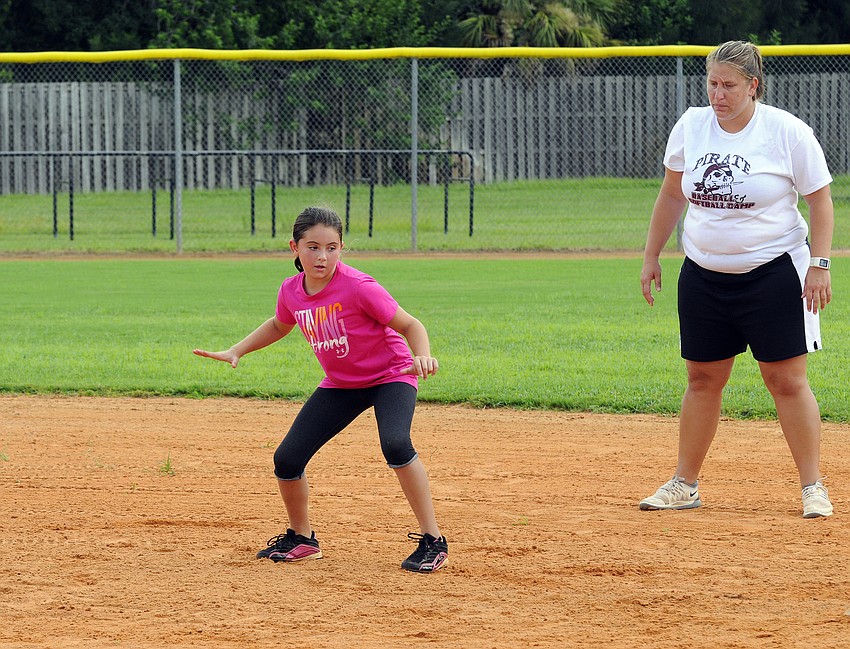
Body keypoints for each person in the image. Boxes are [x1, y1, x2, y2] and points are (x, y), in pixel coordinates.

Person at [639, 41, 835, 518]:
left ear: (753, 85)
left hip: (774, 271)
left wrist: (820, 264)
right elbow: (671, 195)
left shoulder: (786, 132)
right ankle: (685, 483)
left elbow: (821, 201)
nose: (718, 94)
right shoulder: (691, 125)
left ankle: (812, 486)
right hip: (703, 273)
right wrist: (652, 255)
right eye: (712, 83)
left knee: (786, 380)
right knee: (702, 377)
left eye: (728, 85)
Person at [194, 206, 449, 572]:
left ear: (342, 247)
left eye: (332, 247)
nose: (322, 256)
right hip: (343, 384)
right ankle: (302, 538)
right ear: (294, 248)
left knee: (395, 443)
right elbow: (280, 325)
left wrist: (422, 356)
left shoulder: (359, 287)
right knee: (287, 459)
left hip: (391, 375)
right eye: (312, 247)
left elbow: (411, 324)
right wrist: (237, 350)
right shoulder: (291, 290)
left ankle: (433, 540)